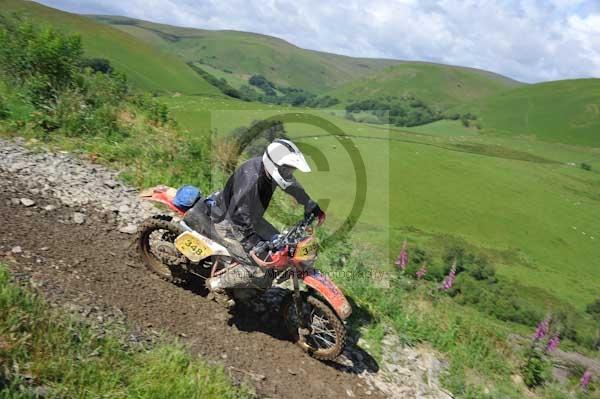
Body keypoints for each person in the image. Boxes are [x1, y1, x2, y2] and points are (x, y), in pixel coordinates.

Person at [204, 139, 325, 305]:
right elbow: (238, 218)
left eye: (291, 170)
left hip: (249, 220)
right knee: (258, 269)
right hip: (228, 223)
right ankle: (217, 284)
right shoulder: (251, 182)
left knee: (285, 249)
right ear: (274, 164)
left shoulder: (269, 170)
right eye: (286, 170)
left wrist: (308, 203)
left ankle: (255, 285)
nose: (289, 173)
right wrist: (255, 245)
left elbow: (289, 184)